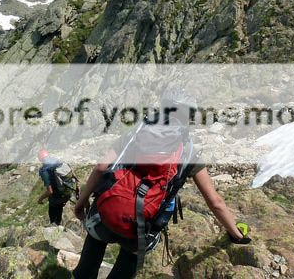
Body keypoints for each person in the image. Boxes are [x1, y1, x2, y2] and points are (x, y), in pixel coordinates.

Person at [71, 89, 251, 279]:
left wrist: (81, 202)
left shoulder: (135, 134)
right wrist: (237, 235)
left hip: (106, 215)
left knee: (93, 248)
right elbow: (215, 202)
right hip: (141, 228)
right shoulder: (188, 153)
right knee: (130, 256)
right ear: (188, 118)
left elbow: (101, 167)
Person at [37, 150, 76, 226]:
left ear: (40, 159)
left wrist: (40, 199)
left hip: (58, 196)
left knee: (53, 206)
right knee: (59, 206)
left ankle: (54, 226)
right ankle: (58, 225)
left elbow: (50, 191)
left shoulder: (44, 170)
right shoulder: (59, 162)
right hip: (68, 192)